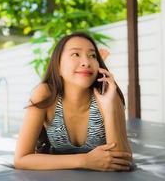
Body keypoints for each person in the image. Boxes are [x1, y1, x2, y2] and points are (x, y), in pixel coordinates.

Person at [14, 32, 132, 171]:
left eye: (92, 56)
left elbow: (122, 162)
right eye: (76, 54)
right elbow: (21, 159)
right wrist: (84, 160)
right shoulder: (45, 93)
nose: (86, 62)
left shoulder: (107, 94)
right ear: (58, 66)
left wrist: (109, 108)